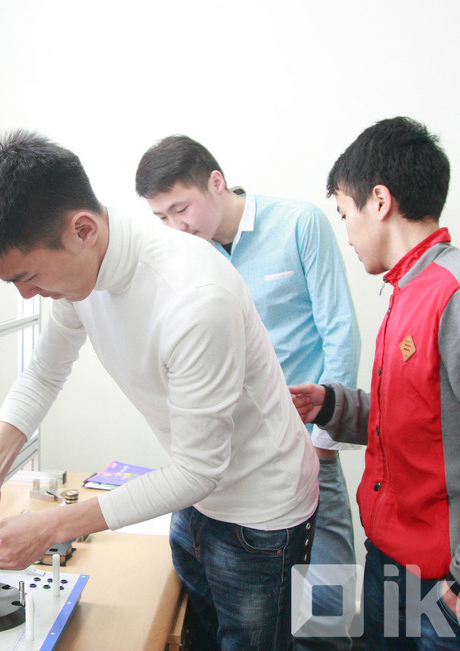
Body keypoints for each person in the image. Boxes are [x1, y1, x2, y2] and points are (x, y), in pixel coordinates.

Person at [0, 129, 320, 649]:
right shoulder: (80, 277)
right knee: (195, 635)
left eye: (27, 276)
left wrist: (51, 527)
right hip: (194, 495)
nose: (28, 295)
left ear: (82, 230)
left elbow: (199, 470)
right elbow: (43, 375)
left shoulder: (195, 297)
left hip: (261, 513)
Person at [290, 117, 460, 649]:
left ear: (379, 201)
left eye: (344, 213)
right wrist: (331, 405)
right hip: (390, 561)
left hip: (451, 581)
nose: (347, 234)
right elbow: (423, 421)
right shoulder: (408, 290)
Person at [136, 135, 361, 649]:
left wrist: (324, 443)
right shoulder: (182, 255)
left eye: (180, 209)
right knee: (239, 612)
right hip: (230, 460)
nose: (175, 227)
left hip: (306, 442)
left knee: (325, 609)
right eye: (161, 217)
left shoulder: (300, 224)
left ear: (216, 182)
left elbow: (340, 332)